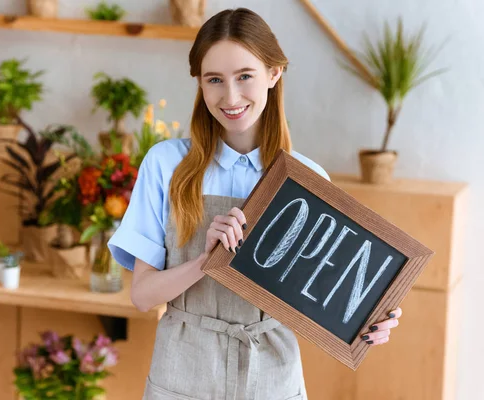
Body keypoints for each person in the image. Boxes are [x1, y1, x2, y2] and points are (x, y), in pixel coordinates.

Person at [108, 7, 402, 400]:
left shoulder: (307, 179)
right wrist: (205, 260)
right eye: (214, 79)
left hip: (273, 378)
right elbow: (142, 296)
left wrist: (371, 318)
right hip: (182, 374)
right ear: (200, 82)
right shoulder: (166, 165)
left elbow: (331, 295)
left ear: (274, 73)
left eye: (245, 76)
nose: (230, 97)